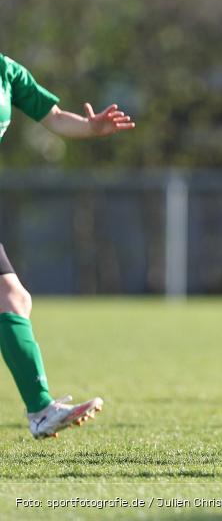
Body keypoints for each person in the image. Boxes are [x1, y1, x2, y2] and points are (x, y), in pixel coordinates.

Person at [1, 52, 134, 438]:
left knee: (11, 298)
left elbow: (55, 118)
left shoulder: (6, 71)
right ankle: (40, 409)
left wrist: (91, 128)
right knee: (10, 297)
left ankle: (41, 410)